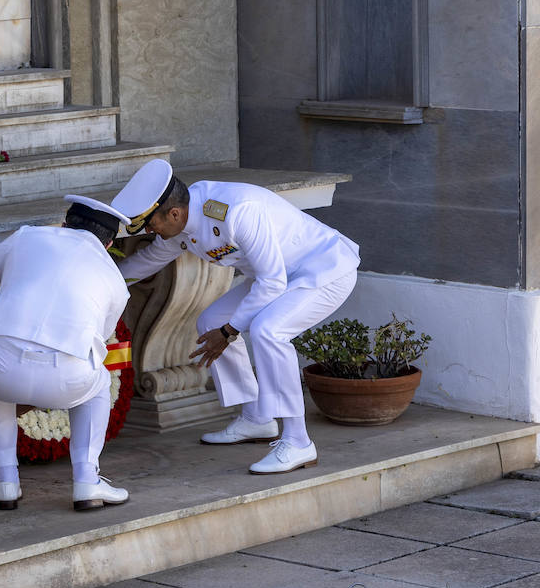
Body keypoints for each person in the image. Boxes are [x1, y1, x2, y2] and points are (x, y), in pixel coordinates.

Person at [110, 160, 360, 474]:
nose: (149, 232)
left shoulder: (237, 210)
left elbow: (272, 283)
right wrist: (101, 279)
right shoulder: (182, 222)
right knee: (210, 322)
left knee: (270, 331)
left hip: (324, 269)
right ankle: (257, 418)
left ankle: (298, 441)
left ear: (173, 213)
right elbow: (147, 261)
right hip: (279, 275)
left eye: (150, 224)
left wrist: (229, 332)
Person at [0, 195, 132, 511]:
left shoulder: (27, 236)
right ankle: (86, 481)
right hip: (68, 378)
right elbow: (98, 342)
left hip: (1, 366)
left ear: (65, 225)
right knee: (98, 383)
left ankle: (6, 482)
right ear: (108, 245)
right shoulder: (115, 279)